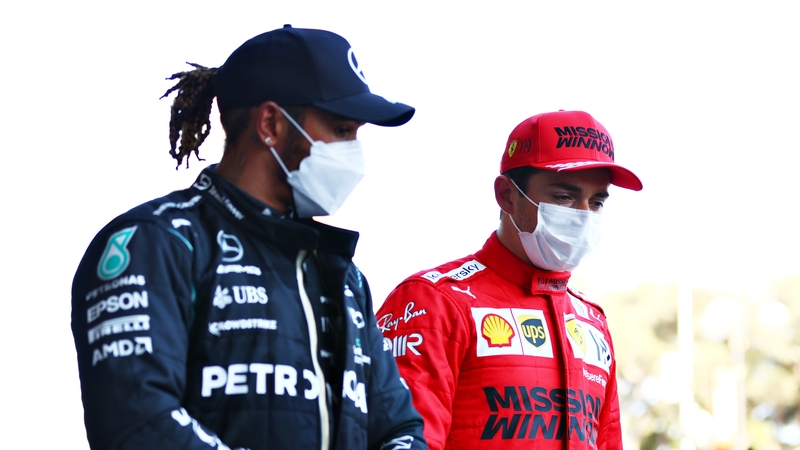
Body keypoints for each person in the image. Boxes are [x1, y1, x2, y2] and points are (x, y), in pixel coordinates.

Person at [71, 25, 427, 450]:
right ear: (271, 123)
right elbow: (136, 422)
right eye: (342, 129)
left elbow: (400, 430)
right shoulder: (154, 243)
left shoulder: (343, 276)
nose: (354, 150)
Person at [376, 110, 643, 449]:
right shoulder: (433, 302)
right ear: (506, 195)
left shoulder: (593, 323)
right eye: (564, 197)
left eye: (597, 202)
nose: (583, 216)